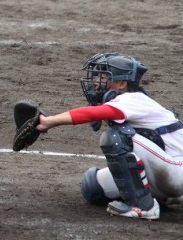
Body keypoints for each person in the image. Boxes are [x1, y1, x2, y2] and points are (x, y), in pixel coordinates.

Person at [35, 52, 183, 220]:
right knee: (92, 186)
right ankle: (162, 196)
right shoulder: (127, 101)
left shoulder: (133, 99)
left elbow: (94, 113)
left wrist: (48, 122)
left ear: (121, 84)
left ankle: (145, 206)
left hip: (176, 172)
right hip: (163, 173)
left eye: (104, 77)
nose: (97, 82)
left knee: (115, 138)